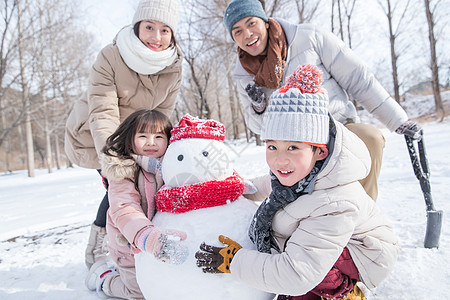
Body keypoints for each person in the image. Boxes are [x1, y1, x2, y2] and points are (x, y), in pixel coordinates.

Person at [195, 65, 399, 300]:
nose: (280, 159)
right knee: (296, 252)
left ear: (319, 152)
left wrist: (234, 261)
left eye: (293, 147)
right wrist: (226, 190)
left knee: (299, 273)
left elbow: (297, 274)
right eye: (272, 146)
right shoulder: (299, 175)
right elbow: (262, 186)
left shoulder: (335, 202)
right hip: (325, 244)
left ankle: (344, 291)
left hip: (363, 253)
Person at [223, 0, 422, 201]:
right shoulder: (243, 75)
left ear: (265, 22)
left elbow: (358, 78)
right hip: (297, 145)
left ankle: (364, 211)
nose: (247, 34)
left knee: (370, 137)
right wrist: (259, 108)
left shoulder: (309, 37)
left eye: (251, 23)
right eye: (237, 31)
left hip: (338, 126)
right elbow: (258, 127)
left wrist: (398, 120)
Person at [64, 0, 182, 269]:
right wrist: (113, 159)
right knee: (120, 188)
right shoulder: (111, 56)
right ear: (137, 26)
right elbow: (102, 112)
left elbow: (162, 114)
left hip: (137, 138)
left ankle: (134, 244)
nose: (156, 37)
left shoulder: (173, 64)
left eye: (165, 30)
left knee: (147, 185)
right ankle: (101, 244)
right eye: (149, 27)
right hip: (96, 136)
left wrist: (168, 148)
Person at [85, 109, 188, 299]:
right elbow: (124, 208)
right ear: (130, 138)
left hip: (159, 241)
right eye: (143, 136)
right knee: (139, 292)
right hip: (128, 245)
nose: (151, 142)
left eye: (159, 136)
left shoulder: (171, 165)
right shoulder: (123, 170)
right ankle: (104, 278)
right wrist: (145, 236)